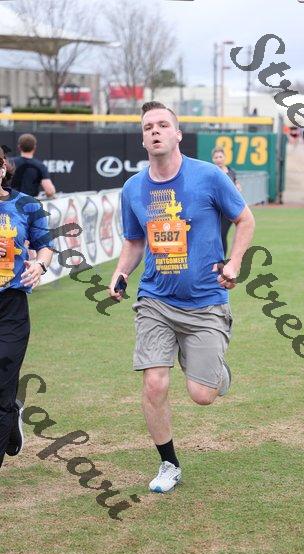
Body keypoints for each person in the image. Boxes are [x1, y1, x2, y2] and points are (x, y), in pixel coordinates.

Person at [108, 101, 255, 494]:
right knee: (154, 384)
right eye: (148, 127)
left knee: (202, 395)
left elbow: (245, 219)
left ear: (177, 134)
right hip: (155, 300)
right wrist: (121, 273)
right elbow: (134, 240)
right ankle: (168, 463)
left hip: (206, 300)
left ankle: (216, 372)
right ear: (143, 139)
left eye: (162, 125)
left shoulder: (209, 176)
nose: (155, 131)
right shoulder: (133, 188)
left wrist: (234, 263)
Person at [0, 146, 53, 469]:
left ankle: (8, 412)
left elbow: (46, 246)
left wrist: (40, 265)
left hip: (11, 306)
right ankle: (11, 421)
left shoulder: (26, 205)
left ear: (3, 169)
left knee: (2, 381)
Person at [211, 146, 242, 257]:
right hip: (214, 209)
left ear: (224, 157)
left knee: (222, 234)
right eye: (216, 157)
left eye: (220, 157)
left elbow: (237, 186)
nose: (218, 159)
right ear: (213, 159)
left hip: (227, 209)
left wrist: (238, 187)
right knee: (214, 236)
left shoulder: (231, 172)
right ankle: (216, 259)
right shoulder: (211, 172)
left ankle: (222, 260)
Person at [10, 133, 55, 199]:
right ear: (34, 147)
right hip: (29, 203)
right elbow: (50, 191)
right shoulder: (40, 166)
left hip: (10, 202)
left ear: (19, 147)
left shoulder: (9, 163)